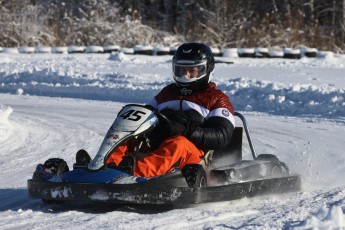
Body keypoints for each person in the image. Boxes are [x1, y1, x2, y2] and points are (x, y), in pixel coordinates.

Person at [105, 42, 235, 178]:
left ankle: (132, 174)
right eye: (181, 70)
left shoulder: (216, 98)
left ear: (206, 70)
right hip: (158, 146)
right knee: (125, 137)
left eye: (192, 70)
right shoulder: (167, 93)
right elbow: (144, 114)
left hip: (196, 156)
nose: (186, 75)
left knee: (178, 143)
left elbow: (223, 135)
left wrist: (189, 131)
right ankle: (107, 167)